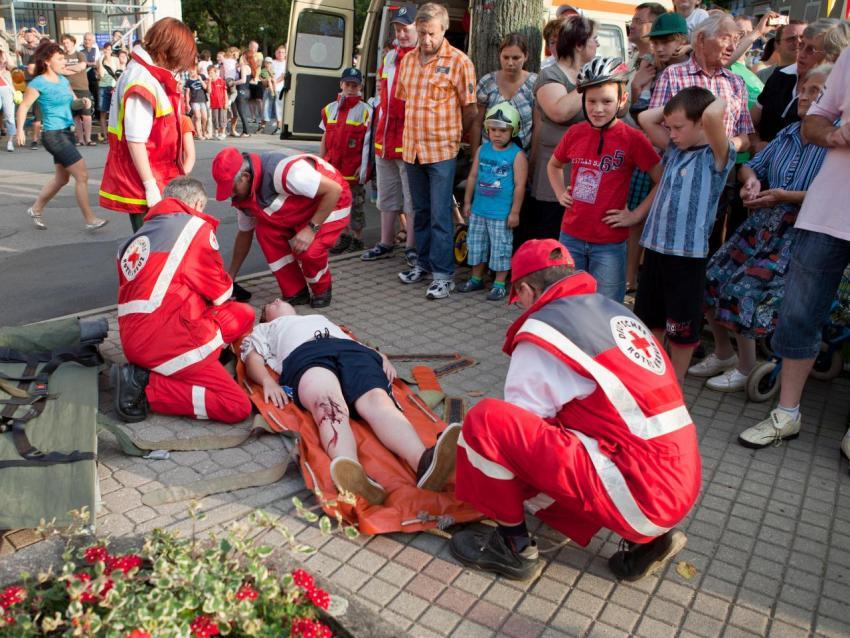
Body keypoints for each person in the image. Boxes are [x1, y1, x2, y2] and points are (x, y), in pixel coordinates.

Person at [449, 239, 700, 582]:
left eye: (518, 297)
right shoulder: (612, 312)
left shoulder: (546, 329)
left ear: (525, 288)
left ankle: (512, 548)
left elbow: (516, 436)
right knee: (590, 426)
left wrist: (480, 482)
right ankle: (647, 541)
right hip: (677, 483)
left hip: (640, 492)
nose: (519, 307)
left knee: (486, 423)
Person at [736, 46, 850, 452]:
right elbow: (814, 122)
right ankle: (787, 414)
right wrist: (835, 133)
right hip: (828, 211)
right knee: (799, 313)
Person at [689, 67, 832, 391]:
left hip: (801, 232)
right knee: (708, 277)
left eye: (815, 92)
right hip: (763, 223)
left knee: (744, 291)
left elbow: (836, 194)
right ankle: (725, 353)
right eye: (804, 89)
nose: (804, 96)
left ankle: (746, 365)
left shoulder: (836, 143)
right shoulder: (789, 132)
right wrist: (751, 181)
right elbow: (753, 164)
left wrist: (785, 196)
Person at [242, 299, 462, 505]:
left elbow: (351, 339)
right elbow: (252, 358)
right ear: (266, 318)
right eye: (270, 304)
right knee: (328, 405)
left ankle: (424, 463)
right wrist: (267, 382)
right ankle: (352, 473)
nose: (278, 301)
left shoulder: (318, 318)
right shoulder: (265, 330)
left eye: (279, 299)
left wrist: (380, 357)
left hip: (352, 352)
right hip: (305, 356)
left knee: (377, 400)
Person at [608, 87, 734, 385]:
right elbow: (647, 118)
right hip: (654, 248)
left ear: (702, 123)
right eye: (671, 128)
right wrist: (679, 111)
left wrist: (719, 99)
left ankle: (673, 385)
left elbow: (715, 112)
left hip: (686, 257)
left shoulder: (717, 157)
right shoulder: (676, 150)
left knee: (681, 326)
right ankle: (651, 376)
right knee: (651, 319)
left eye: (679, 127)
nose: (672, 133)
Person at [112, 177, 254, 425]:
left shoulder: (133, 240)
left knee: (243, 314)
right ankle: (145, 387)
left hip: (133, 341)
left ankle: (152, 374)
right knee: (237, 406)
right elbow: (220, 293)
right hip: (169, 342)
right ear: (198, 204)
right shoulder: (193, 228)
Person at [547, 57, 662, 302]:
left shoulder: (633, 139)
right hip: (571, 236)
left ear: (622, 100)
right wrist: (559, 193)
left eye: (607, 101)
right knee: (567, 302)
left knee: (606, 306)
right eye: (591, 101)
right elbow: (554, 165)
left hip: (609, 243)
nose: (598, 109)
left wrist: (636, 215)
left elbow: (661, 179)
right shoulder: (575, 133)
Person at [395, 2, 477, 300]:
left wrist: (455, 136)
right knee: (421, 211)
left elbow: (470, 110)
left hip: (442, 150)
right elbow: (406, 101)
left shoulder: (459, 62)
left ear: (443, 30)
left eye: (431, 33)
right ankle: (424, 265)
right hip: (412, 149)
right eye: (421, 33)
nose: (425, 39)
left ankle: (444, 276)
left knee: (441, 214)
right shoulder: (407, 62)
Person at [213, 147, 351, 308]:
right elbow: (244, 234)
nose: (231, 195)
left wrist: (311, 229)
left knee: (310, 251)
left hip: (331, 203)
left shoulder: (287, 172)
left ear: (245, 177)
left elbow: (334, 190)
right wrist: (231, 276)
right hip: (302, 209)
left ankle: (322, 289)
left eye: (232, 188)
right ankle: (296, 292)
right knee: (265, 231)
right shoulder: (244, 195)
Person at [99, 17, 197, 232]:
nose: (180, 65)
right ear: (169, 50)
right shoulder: (140, 80)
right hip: (147, 178)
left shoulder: (144, 75)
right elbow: (136, 140)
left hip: (155, 175)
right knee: (155, 247)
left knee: (158, 245)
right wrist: (150, 186)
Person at [626, 12, 691, 292]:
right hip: (648, 151)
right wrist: (637, 86)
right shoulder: (650, 68)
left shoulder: (690, 68)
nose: (659, 48)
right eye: (656, 43)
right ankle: (630, 278)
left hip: (678, 152)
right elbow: (633, 112)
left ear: (681, 41)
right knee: (635, 217)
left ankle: (654, 282)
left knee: (666, 218)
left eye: (665, 42)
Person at [15, 41, 108, 231]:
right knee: (82, 175)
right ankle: (90, 219)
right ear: (47, 62)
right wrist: (18, 131)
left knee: (62, 178)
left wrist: (83, 102)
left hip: (67, 132)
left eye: (63, 58)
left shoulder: (63, 80)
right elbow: (24, 106)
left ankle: (36, 208)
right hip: (53, 134)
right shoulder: (38, 83)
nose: (63, 61)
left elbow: (72, 103)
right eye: (59, 58)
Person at [530, 15, 597, 241]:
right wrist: (589, 84)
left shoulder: (591, 72)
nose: (597, 44)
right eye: (594, 39)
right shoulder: (550, 75)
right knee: (551, 236)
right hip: (556, 171)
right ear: (579, 45)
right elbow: (559, 111)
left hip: (586, 169)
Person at [361, 3, 418, 266]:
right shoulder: (389, 57)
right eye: (397, 28)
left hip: (407, 139)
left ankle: (411, 247)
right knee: (386, 195)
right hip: (384, 138)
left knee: (410, 197)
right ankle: (385, 241)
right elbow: (383, 94)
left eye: (406, 28)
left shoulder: (421, 58)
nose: (401, 33)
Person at [649, 13, 754, 153]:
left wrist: (718, 150)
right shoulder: (672, 75)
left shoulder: (736, 82)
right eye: (725, 39)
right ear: (701, 39)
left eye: (735, 40)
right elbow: (654, 127)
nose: (733, 48)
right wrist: (691, 155)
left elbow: (745, 139)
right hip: (681, 170)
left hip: (723, 172)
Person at [457, 103, 528, 301]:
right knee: (476, 245)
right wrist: (468, 202)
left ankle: (499, 283)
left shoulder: (517, 155)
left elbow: (520, 186)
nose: (497, 134)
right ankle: (476, 278)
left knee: (500, 249)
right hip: (480, 210)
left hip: (501, 214)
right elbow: (473, 176)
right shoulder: (482, 150)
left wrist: (514, 212)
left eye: (503, 130)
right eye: (493, 129)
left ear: (513, 130)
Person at [751, 19, 833, 151]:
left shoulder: (831, 92)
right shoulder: (779, 75)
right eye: (802, 46)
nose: (801, 53)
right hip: (758, 164)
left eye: (811, 49)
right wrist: (757, 144)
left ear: (830, 56)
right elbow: (751, 121)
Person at [319, 67, 372, 255]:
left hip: (353, 169)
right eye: (347, 84)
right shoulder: (329, 109)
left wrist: (363, 166)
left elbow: (368, 143)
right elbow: (325, 137)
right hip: (333, 168)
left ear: (360, 87)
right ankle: (344, 236)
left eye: (354, 85)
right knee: (336, 204)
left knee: (356, 204)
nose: (350, 88)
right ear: (341, 84)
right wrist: (321, 163)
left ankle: (358, 239)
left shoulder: (365, 111)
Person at [470, 33, 537, 157]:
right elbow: (477, 123)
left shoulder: (534, 84)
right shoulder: (488, 82)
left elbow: (537, 126)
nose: (510, 63)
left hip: (521, 158)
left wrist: (533, 161)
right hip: (489, 159)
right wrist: (475, 157)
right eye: (505, 57)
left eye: (516, 58)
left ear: (525, 56)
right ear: (499, 56)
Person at [59, 34, 95, 147]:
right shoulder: (61, 56)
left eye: (67, 42)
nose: (66, 45)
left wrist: (68, 68)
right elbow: (61, 71)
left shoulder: (80, 54)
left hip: (82, 87)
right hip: (68, 89)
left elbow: (81, 67)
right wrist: (73, 68)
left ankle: (88, 139)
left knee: (86, 114)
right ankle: (80, 139)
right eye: (64, 43)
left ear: (73, 43)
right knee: (76, 116)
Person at [15, 28, 42, 149]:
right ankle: (20, 133)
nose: (29, 37)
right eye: (27, 35)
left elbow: (48, 46)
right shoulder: (24, 48)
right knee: (22, 107)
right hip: (25, 81)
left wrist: (39, 35)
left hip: (37, 81)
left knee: (37, 111)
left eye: (31, 35)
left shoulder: (39, 48)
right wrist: (18, 35)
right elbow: (16, 49)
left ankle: (35, 139)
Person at [96, 44, 118, 145]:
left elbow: (118, 73)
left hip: (114, 86)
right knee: (103, 112)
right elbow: (100, 75)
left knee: (116, 111)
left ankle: (116, 135)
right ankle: (105, 136)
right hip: (103, 87)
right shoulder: (99, 60)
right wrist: (101, 61)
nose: (107, 51)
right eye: (105, 49)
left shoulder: (115, 60)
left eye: (108, 49)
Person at [184, 64, 209, 141]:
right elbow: (187, 93)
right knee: (198, 117)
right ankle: (199, 134)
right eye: (190, 70)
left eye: (193, 70)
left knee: (205, 117)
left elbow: (205, 88)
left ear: (196, 70)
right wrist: (187, 104)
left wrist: (200, 80)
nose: (192, 72)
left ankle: (204, 132)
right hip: (194, 101)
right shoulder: (188, 81)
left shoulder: (202, 76)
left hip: (203, 99)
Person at [233, 50, 254, 137]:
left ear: (245, 56)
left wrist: (233, 83)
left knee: (242, 113)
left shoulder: (244, 67)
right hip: (247, 91)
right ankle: (246, 131)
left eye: (242, 55)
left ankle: (246, 132)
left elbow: (243, 80)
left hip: (241, 91)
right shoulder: (249, 67)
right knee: (243, 112)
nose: (241, 57)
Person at [0, 46, 16, 152]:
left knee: (10, 116)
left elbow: (13, 67)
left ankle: (10, 142)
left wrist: (6, 53)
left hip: (6, 88)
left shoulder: (3, 56)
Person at [208, 64, 227, 140]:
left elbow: (225, 93)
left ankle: (222, 133)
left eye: (211, 73)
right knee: (215, 118)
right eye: (209, 73)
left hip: (222, 103)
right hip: (214, 104)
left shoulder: (222, 81)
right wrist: (209, 81)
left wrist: (226, 102)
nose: (210, 74)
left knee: (222, 118)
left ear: (215, 72)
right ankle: (216, 132)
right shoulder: (209, 82)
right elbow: (209, 91)